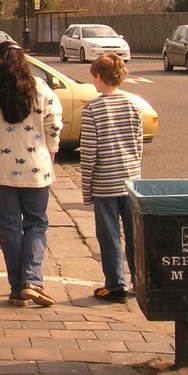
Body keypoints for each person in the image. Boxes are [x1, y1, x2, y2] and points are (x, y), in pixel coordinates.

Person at [0, 41, 63, 308]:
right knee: (36, 224)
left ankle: (17, 288)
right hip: (35, 168)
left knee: (9, 228)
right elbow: (54, 124)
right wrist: (51, 152)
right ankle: (32, 281)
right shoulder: (40, 88)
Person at [80, 52, 144, 304]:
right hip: (130, 180)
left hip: (105, 183)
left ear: (98, 77)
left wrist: (87, 190)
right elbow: (138, 144)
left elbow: (89, 154)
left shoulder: (92, 108)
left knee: (109, 236)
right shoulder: (133, 104)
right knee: (134, 234)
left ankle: (115, 284)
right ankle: (139, 280)